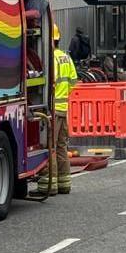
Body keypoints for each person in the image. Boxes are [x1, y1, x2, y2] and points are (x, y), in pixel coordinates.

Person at [41, 23, 77, 196]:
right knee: (62, 146)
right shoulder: (66, 57)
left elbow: (50, 83)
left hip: (53, 108)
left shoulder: (51, 59)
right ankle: (64, 183)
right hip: (63, 108)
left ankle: (50, 185)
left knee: (50, 146)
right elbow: (73, 81)